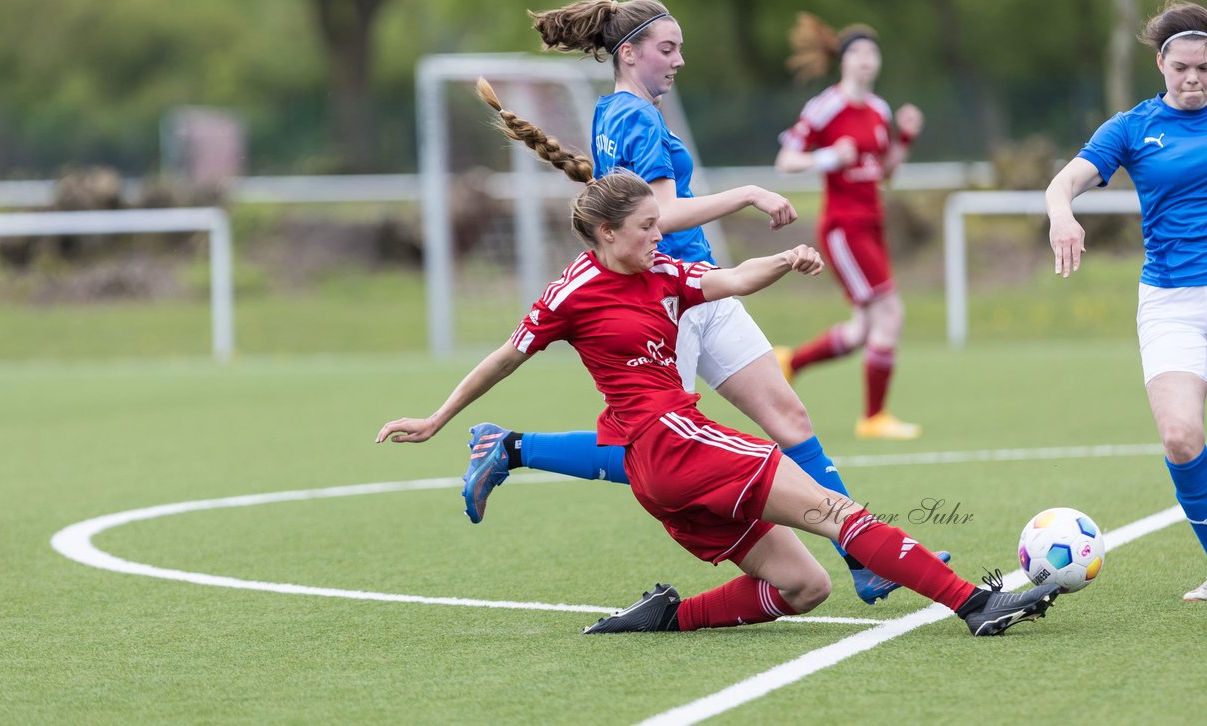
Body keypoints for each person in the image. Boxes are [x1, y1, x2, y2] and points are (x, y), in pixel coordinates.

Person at [378, 110, 1060, 637]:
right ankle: (975, 603)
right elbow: (505, 356)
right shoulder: (572, 292)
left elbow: (731, 277)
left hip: (656, 474)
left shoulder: (666, 272)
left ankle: (664, 619)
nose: (658, 235)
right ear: (607, 234)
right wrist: (438, 417)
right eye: (647, 226)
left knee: (804, 588)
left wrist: (786, 260)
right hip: (673, 441)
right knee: (839, 513)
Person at [456, 0, 923, 605]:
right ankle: (512, 447)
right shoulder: (636, 118)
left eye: (680, 48)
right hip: (671, 298)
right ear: (629, 53)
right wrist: (749, 192)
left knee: (790, 420)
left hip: (702, 287)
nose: (679, 60)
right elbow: (666, 213)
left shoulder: (622, 111)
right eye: (667, 49)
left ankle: (862, 556)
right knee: (653, 450)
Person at [1046, 0, 1207, 604]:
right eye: (1183, 67)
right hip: (1169, 301)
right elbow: (1064, 182)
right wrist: (1063, 217)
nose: (1194, 79)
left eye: (1206, 68)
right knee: (1180, 438)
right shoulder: (1133, 127)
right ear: (1161, 62)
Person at [773, 13, 925, 440]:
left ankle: (791, 363)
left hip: (872, 223)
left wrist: (907, 139)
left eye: (871, 52)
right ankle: (873, 418)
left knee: (864, 328)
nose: (865, 59)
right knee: (890, 314)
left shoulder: (879, 110)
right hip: (844, 228)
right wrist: (827, 158)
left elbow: (886, 172)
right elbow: (786, 161)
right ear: (843, 60)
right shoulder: (826, 106)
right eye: (856, 52)